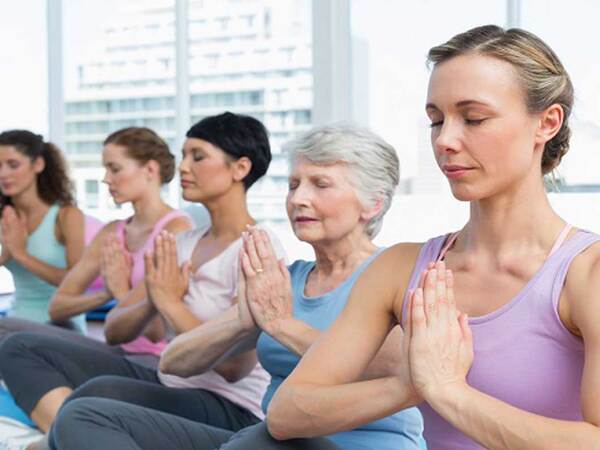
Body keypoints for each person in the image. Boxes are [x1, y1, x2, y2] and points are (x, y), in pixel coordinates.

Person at [266, 25, 600, 449]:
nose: (445, 140)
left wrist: (448, 390)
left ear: (547, 122)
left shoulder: (586, 273)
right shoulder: (402, 268)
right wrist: (408, 387)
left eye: (474, 118)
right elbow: (287, 412)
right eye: (436, 121)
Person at [48, 124, 424, 450]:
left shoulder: (392, 272)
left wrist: (282, 326)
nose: (298, 198)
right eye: (294, 184)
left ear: (372, 204)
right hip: (274, 440)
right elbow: (173, 361)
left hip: (354, 445)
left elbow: (393, 369)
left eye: (320, 184)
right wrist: (243, 322)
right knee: (84, 416)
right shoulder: (284, 280)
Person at [1, 113, 282, 447]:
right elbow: (116, 329)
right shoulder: (181, 244)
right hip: (172, 382)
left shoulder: (258, 248)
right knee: (23, 349)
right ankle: (63, 438)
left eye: (198, 157)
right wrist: (149, 294)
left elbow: (234, 366)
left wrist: (168, 302)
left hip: (229, 405)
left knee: (85, 408)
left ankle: (58, 439)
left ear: (240, 168)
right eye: (184, 156)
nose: (183, 168)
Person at [0, 130, 86, 332]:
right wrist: (6, 254)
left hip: (61, 327)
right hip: (16, 322)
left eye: (13, 165)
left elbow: (76, 283)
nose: (3, 174)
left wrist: (21, 254)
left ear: (37, 164)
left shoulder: (66, 216)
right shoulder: (6, 217)